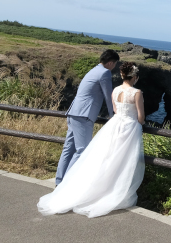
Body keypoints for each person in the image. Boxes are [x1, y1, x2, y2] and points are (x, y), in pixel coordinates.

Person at [38, 61, 145, 218]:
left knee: (106, 158)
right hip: (129, 128)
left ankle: (92, 188)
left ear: (122, 75)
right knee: (122, 161)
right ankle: (112, 189)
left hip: (114, 125)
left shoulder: (115, 90)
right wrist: (137, 120)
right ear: (135, 76)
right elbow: (141, 118)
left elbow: (115, 110)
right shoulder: (137, 93)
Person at [54, 49, 119, 186]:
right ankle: (66, 184)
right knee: (82, 151)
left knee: (68, 149)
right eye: (114, 64)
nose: (114, 67)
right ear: (110, 63)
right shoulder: (105, 73)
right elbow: (109, 96)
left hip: (74, 112)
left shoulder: (94, 70)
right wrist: (113, 115)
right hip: (84, 115)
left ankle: (59, 181)